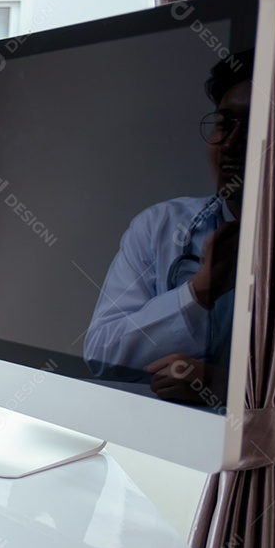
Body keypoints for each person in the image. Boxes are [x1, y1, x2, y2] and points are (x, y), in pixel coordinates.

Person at [83, 52, 252, 404]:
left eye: (253, 128)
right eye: (224, 124)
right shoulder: (160, 225)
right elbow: (101, 353)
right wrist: (198, 294)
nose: (231, 145)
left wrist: (227, 387)